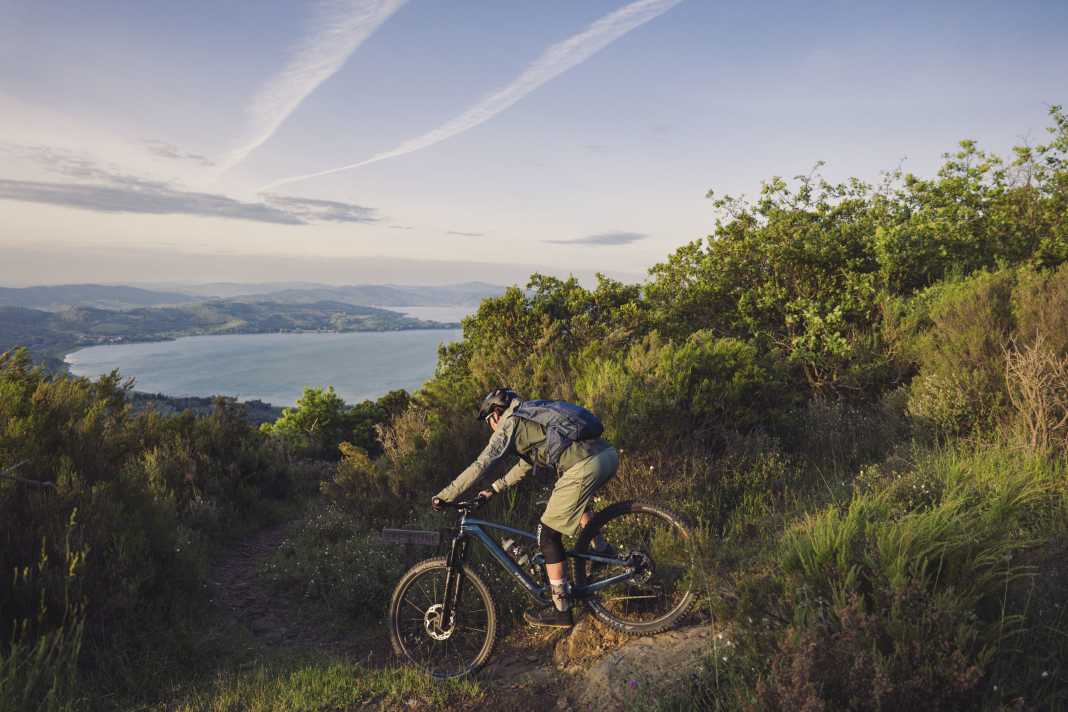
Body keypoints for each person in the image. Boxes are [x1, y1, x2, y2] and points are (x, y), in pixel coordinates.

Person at [432, 388, 619, 628]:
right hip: (606, 455)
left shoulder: (509, 423)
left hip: (584, 464)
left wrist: (445, 495)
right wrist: (494, 489)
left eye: (489, 420)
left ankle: (561, 610)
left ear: (496, 413)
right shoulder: (531, 413)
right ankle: (603, 552)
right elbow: (526, 464)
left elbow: (482, 463)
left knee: (548, 535)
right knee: (577, 505)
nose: (491, 426)